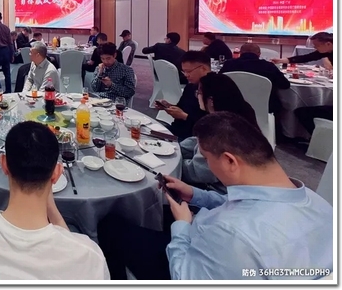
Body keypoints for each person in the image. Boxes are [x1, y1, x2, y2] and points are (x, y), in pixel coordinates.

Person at [97, 112, 332, 280]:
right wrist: (196, 194)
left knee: (109, 224)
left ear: (229, 161)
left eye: (207, 158)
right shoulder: (315, 201)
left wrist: (182, 227)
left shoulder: (233, 234)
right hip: (223, 248)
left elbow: (183, 276)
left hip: (191, 257)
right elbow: (246, 204)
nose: (207, 164)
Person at [0, 121, 109, 280]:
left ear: (4, 164)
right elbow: (68, 240)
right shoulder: (89, 257)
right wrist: (52, 210)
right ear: (57, 174)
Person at [181, 74, 258, 187]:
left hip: (219, 190)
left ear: (211, 101)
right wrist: (177, 149)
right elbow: (197, 141)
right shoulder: (241, 112)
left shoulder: (221, 131)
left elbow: (197, 173)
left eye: (199, 93)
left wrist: (173, 162)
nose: (197, 96)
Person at [219, 43, 290, 113]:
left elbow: (219, 81)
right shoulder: (268, 66)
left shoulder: (229, 64)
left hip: (233, 108)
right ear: (259, 54)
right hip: (265, 109)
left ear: (240, 53)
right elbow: (285, 85)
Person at [156, 51, 210, 141]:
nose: (186, 75)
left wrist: (184, 116)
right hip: (176, 130)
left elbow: (211, 126)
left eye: (188, 71)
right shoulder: (190, 87)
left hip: (194, 138)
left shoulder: (215, 90)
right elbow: (182, 107)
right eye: (184, 71)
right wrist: (168, 106)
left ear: (203, 68)